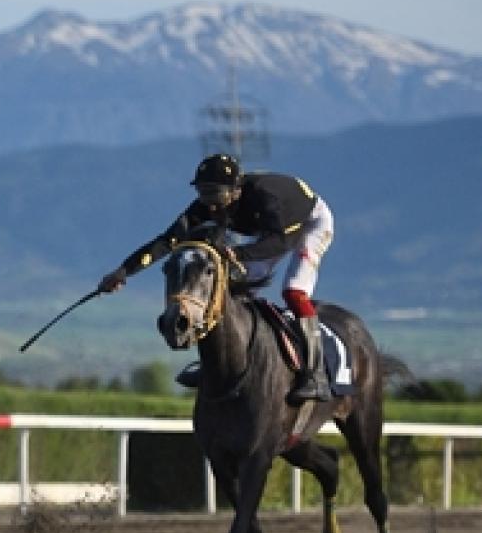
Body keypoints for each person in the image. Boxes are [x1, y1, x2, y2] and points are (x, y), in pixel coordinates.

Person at [98, 153, 334, 405]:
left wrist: (240, 253)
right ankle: (214, 364)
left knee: (294, 291)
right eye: (203, 194)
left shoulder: (265, 198)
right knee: (232, 292)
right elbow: (167, 242)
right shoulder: (205, 207)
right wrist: (123, 271)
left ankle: (315, 373)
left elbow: (279, 242)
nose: (210, 205)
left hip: (310, 223)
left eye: (216, 195)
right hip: (272, 232)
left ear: (236, 190)